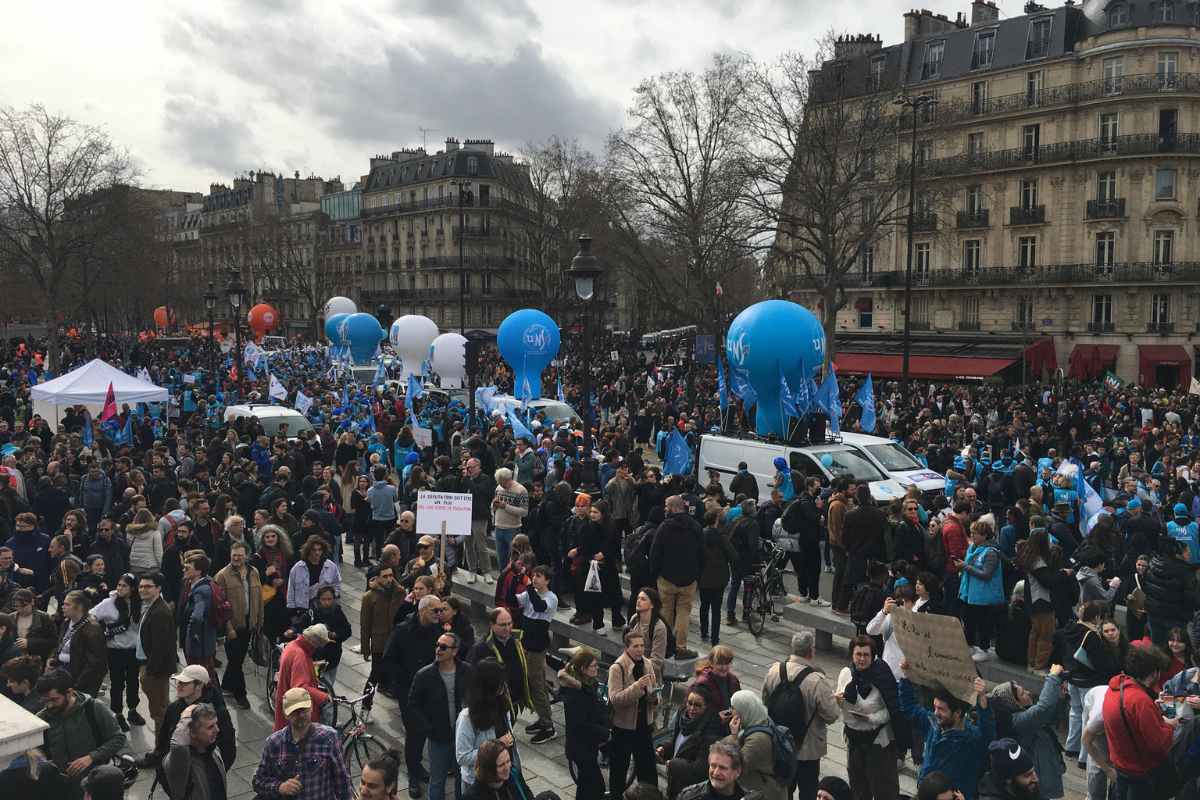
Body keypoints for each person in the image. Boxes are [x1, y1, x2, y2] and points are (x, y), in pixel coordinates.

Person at [899, 658, 994, 800]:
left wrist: (982, 702)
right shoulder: (933, 723)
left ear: (957, 713)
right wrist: (906, 676)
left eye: (941, 709)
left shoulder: (971, 740)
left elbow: (988, 735)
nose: (936, 712)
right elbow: (909, 708)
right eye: (935, 707)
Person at [761, 631, 839, 800]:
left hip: (779, 743)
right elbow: (831, 715)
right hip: (807, 748)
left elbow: (766, 701)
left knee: (783, 789)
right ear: (811, 651)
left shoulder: (774, 670)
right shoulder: (817, 680)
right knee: (808, 790)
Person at [36, 668, 127, 797]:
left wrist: (91, 757)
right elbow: (35, 751)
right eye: (45, 701)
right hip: (59, 786)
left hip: (91, 785)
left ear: (69, 693)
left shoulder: (94, 708)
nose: (49, 705)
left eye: (54, 700)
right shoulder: (41, 718)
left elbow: (118, 738)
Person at [1101, 644, 1176, 800]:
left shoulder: (1115, 688)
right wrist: (1170, 725)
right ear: (1154, 672)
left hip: (1121, 767)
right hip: (1140, 774)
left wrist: (1153, 713)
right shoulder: (1140, 701)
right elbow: (1158, 744)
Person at [253, 686, 352, 800]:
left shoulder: (329, 738)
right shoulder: (274, 743)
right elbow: (258, 781)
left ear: (311, 708)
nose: (301, 715)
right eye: (295, 712)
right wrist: (280, 787)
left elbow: (342, 781)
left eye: (304, 710)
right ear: (286, 714)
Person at [389, 594, 442, 796]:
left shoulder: (438, 630)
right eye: (434, 610)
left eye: (440, 610)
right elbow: (389, 659)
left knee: (425, 732)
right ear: (422, 610)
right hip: (409, 692)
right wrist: (399, 684)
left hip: (431, 691)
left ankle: (420, 767)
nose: (439, 614)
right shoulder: (403, 631)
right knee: (414, 732)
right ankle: (413, 772)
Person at [987, 666, 1067, 800]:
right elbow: (1043, 709)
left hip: (1042, 773)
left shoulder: (1023, 715)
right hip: (1035, 781)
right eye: (1023, 693)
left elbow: (1050, 717)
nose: (1029, 693)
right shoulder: (1017, 721)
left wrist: (1059, 696)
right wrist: (1052, 678)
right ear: (1014, 704)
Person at [408, 632, 469, 800]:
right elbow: (413, 705)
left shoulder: (467, 671)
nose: (438, 650)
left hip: (462, 737)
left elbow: (476, 697)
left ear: (455, 651)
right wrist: (428, 728)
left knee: (461, 779)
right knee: (437, 781)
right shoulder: (424, 675)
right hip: (438, 738)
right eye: (437, 645)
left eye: (443, 647)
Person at [149, 664, 237, 775]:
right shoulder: (173, 709)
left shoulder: (218, 712)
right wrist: (164, 773)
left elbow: (228, 749)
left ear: (199, 685)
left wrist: (212, 775)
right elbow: (163, 743)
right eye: (179, 682)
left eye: (185, 683)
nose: (179, 686)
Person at [651, 495, 703, 660]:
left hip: (667, 578)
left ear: (673, 508)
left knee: (665, 611)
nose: (665, 509)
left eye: (666, 506)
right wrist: (697, 574)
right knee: (684, 613)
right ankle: (680, 648)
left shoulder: (665, 527)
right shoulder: (695, 526)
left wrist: (656, 573)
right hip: (689, 579)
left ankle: (665, 645)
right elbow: (702, 552)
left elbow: (655, 552)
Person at [89, 573, 144, 730]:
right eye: (119, 585)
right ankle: (117, 713)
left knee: (133, 682)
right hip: (115, 650)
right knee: (117, 683)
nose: (120, 588)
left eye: (124, 586)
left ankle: (133, 710)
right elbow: (91, 615)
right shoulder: (109, 602)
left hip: (134, 650)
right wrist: (102, 630)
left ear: (132, 588)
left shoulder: (139, 603)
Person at [608, 629, 659, 797]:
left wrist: (655, 697)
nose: (640, 649)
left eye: (642, 645)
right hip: (623, 728)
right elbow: (615, 699)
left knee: (648, 769)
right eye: (636, 646)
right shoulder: (617, 668)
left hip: (644, 725)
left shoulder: (648, 664)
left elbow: (655, 693)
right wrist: (637, 687)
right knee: (619, 770)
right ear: (626, 648)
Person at [214, 540, 262, 709]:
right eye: (234, 555)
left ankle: (226, 686)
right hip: (232, 627)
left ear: (246, 556)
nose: (236, 558)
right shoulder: (222, 576)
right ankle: (240, 694)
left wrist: (258, 621)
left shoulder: (254, 572)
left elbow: (258, 597)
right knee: (236, 661)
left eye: (240, 555)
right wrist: (228, 628)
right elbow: (220, 605)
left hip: (249, 624)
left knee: (237, 659)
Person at [455, 660, 515, 792]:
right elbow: (462, 757)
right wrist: (497, 745)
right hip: (478, 782)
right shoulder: (467, 718)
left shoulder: (503, 706)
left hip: (505, 778)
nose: (504, 686)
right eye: (500, 683)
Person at [658, 685, 726, 799]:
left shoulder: (711, 733)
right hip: (675, 783)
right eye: (689, 703)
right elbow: (678, 746)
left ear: (707, 707)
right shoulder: (682, 718)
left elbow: (700, 769)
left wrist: (673, 764)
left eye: (698, 705)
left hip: (691, 791)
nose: (692, 708)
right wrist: (664, 749)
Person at [559, 647, 609, 800]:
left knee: (585, 785)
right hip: (580, 747)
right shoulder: (576, 694)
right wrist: (604, 732)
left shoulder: (588, 685)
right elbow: (581, 724)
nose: (597, 668)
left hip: (586, 746)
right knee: (596, 786)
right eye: (593, 666)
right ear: (583, 669)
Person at [516, 564, 557, 743]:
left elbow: (539, 607)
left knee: (536, 685)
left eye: (539, 576)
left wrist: (529, 589)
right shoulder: (529, 593)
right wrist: (514, 577)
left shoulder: (551, 597)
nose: (535, 579)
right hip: (525, 644)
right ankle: (543, 718)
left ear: (547, 580)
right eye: (534, 576)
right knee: (535, 682)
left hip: (537, 647)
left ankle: (548, 725)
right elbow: (515, 600)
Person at [466, 607, 531, 715]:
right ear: (492, 625)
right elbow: (471, 677)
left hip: (513, 699)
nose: (507, 628)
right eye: (502, 625)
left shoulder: (517, 640)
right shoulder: (480, 648)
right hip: (493, 703)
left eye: (509, 623)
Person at [955, 520, 1004, 663]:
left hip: (983, 595)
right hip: (969, 593)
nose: (972, 536)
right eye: (971, 533)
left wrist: (965, 567)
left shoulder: (991, 552)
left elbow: (986, 574)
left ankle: (983, 648)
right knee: (969, 621)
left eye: (975, 534)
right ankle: (970, 646)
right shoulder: (972, 548)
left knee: (982, 623)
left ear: (984, 535)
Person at [723, 690, 783, 800]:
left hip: (763, 793)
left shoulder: (758, 739)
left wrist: (733, 736)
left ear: (744, 711)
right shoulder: (759, 719)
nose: (731, 712)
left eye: (733, 708)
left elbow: (737, 765)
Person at [137, 572, 177, 736]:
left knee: (159, 711)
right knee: (160, 708)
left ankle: (161, 749)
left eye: (148, 586)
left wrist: (150, 672)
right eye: (141, 586)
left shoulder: (159, 612)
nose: (143, 590)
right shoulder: (152, 606)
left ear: (158, 588)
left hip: (155, 670)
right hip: (149, 666)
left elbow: (160, 648)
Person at [273, 623, 332, 732]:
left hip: (285, 705)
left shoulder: (292, 646)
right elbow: (300, 687)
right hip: (296, 713)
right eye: (319, 645)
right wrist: (323, 697)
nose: (318, 648)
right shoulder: (300, 656)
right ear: (314, 642)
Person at [360, 563, 407, 698]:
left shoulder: (399, 592)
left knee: (395, 670)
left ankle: (386, 687)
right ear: (377, 578)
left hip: (396, 641)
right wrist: (365, 648)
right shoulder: (369, 597)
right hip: (379, 642)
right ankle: (366, 705)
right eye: (385, 576)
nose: (389, 579)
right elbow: (365, 625)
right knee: (374, 675)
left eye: (391, 575)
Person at [162, 703, 226, 800]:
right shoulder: (179, 761)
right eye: (210, 727)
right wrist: (185, 719)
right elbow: (178, 746)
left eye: (216, 724)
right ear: (191, 732)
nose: (217, 729)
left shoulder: (212, 749)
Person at [53, 590, 107, 697]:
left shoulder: (92, 628)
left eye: (67, 604)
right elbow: (60, 645)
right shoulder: (66, 622)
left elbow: (94, 664)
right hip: (62, 670)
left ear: (79, 607)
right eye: (63, 604)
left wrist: (77, 685)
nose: (63, 607)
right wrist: (54, 659)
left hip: (78, 678)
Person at [699, 508, 738, 646]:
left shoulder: (700, 535)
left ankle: (703, 632)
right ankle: (715, 639)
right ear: (716, 521)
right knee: (716, 609)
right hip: (719, 578)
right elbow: (733, 555)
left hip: (703, 577)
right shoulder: (721, 537)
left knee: (704, 606)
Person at [676, 741, 758, 800]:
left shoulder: (749, 798)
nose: (716, 773)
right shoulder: (689, 797)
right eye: (713, 766)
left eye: (722, 768)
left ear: (737, 771)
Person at [286, 534, 341, 621]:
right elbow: (291, 591)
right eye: (314, 550)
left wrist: (331, 599)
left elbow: (337, 584)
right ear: (308, 551)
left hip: (324, 610)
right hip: (303, 609)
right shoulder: (298, 567)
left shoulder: (331, 566)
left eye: (319, 550)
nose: (317, 552)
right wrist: (292, 612)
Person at [463, 458, 496, 584]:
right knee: (468, 545)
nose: (469, 470)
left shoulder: (485, 479)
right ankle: (472, 570)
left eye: (471, 467)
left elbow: (479, 492)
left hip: (479, 517)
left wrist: (467, 480)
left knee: (481, 545)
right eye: (467, 467)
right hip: (465, 516)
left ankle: (486, 571)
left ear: (478, 467)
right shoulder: (465, 479)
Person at [977, 739, 1043, 800]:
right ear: (1008, 780)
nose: (1036, 779)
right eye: (1027, 775)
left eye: (1034, 771)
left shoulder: (1024, 792)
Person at [491, 467, 529, 573]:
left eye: (502, 482)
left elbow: (524, 512)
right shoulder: (499, 488)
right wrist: (493, 505)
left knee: (514, 559)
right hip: (498, 527)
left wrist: (506, 506)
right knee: (501, 559)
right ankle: (502, 580)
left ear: (507, 479)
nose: (501, 485)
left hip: (512, 529)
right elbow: (493, 506)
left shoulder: (521, 490)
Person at [11, 586, 59, 659]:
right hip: (15, 659)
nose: (20, 610)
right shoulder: (11, 617)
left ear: (32, 602)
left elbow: (53, 641)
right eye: (17, 606)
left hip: (36, 659)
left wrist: (30, 643)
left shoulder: (44, 618)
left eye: (24, 606)